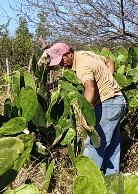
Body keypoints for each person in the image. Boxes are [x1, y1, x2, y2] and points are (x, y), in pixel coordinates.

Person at [44, 42, 126, 175]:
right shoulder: (86, 54)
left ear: (69, 54)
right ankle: (112, 178)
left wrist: (85, 115)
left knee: (94, 143)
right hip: (118, 101)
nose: (61, 65)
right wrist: (108, 82)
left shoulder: (82, 66)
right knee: (112, 144)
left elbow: (90, 89)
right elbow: (110, 62)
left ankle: (86, 179)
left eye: (62, 60)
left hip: (107, 103)